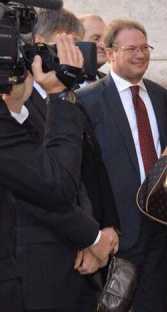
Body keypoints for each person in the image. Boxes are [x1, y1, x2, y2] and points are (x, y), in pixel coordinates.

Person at [0, 34, 115, 312]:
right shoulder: (49, 103)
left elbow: (85, 176)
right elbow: (53, 185)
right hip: (33, 268)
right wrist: (59, 95)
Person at [77, 19, 167, 311]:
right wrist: (98, 227)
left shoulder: (159, 95)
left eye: (145, 48)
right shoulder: (87, 100)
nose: (141, 55)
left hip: (157, 223)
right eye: (131, 48)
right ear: (110, 52)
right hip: (115, 230)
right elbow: (85, 171)